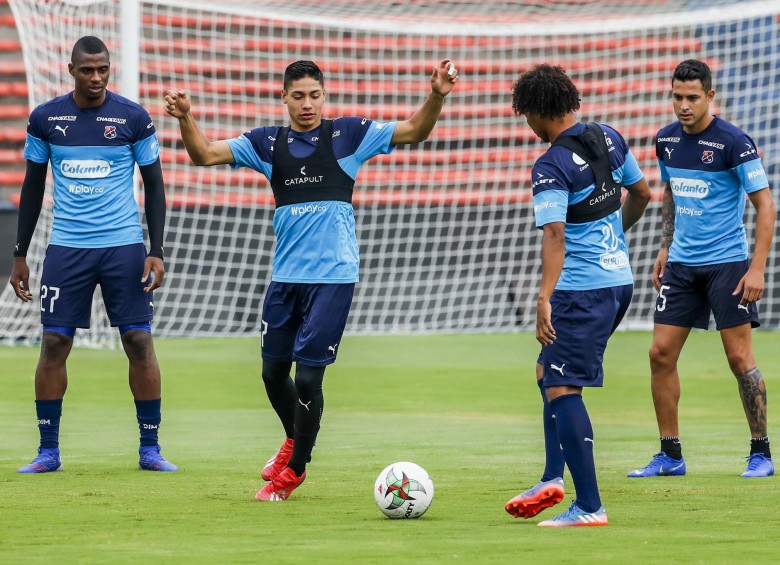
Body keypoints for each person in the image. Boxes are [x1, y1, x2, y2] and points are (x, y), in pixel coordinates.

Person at [164, 59, 458, 500]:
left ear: (324, 95)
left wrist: (436, 95)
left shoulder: (349, 136)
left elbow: (415, 130)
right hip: (285, 279)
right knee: (271, 373)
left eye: (314, 95)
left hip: (333, 278)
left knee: (307, 380)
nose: (307, 104)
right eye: (298, 95)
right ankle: (293, 438)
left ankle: (296, 469)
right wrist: (186, 117)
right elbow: (204, 154)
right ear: (284, 97)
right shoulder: (267, 143)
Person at [9, 36, 176, 473]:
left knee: (139, 341)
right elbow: (31, 187)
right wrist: (20, 253)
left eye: (103, 69)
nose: (97, 77)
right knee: (54, 342)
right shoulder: (46, 118)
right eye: (88, 70)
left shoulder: (132, 117)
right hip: (67, 248)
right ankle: (48, 451)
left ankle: (150, 449)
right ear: (71, 70)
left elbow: (155, 185)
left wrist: (155, 250)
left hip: (123, 247)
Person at [503, 64, 650, 526]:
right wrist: (614, 242)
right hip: (617, 280)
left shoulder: (551, 164)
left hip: (581, 290)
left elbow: (554, 235)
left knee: (564, 386)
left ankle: (589, 506)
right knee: (548, 371)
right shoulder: (610, 137)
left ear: (535, 111)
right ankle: (551, 477)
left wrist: (543, 296)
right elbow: (642, 194)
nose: (525, 123)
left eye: (524, 114)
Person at [628, 59, 775, 479]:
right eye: (677, 97)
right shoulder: (666, 140)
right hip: (681, 266)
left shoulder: (734, 142)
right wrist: (665, 245)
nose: (684, 106)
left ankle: (760, 453)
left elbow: (765, 204)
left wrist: (757, 268)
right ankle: (670, 455)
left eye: (692, 97)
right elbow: (671, 191)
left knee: (739, 357)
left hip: (728, 265)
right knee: (659, 354)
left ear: (710, 96)